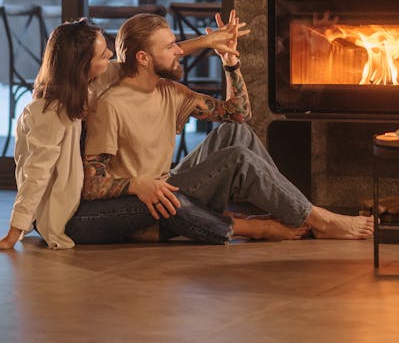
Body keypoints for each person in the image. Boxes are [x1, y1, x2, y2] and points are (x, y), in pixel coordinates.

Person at [0, 17, 304, 251]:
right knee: (168, 198)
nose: (112, 60)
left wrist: (217, 49)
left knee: (237, 135)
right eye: (104, 56)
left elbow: (141, 61)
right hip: (74, 215)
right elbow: (36, 175)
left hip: (130, 189)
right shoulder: (49, 112)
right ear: (83, 65)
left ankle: (294, 211)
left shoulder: (93, 81)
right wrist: (16, 231)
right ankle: (266, 225)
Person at [83, 12, 374, 240]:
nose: (179, 51)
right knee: (237, 157)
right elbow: (91, 184)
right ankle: (320, 220)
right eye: (170, 46)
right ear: (143, 58)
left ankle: (295, 212)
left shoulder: (169, 91)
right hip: (155, 207)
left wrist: (230, 63)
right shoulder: (111, 105)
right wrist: (137, 185)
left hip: (170, 182)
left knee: (237, 133)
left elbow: (238, 114)